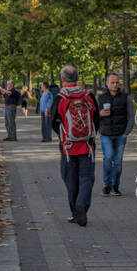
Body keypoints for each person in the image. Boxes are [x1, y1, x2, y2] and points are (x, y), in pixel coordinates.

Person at [51, 64, 98, 226]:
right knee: (87, 178)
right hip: (87, 146)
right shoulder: (88, 95)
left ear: (62, 79)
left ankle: (74, 212)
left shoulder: (60, 97)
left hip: (68, 147)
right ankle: (82, 205)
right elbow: (96, 118)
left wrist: (63, 136)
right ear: (77, 78)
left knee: (70, 179)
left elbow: (53, 121)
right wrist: (90, 135)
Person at [95, 72, 132, 196]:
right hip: (106, 133)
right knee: (108, 157)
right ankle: (107, 185)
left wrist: (126, 133)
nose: (115, 84)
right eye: (112, 82)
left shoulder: (126, 97)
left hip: (120, 134)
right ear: (106, 83)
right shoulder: (100, 98)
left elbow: (131, 116)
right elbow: (93, 115)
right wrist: (100, 114)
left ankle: (115, 186)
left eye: (117, 82)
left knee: (118, 162)